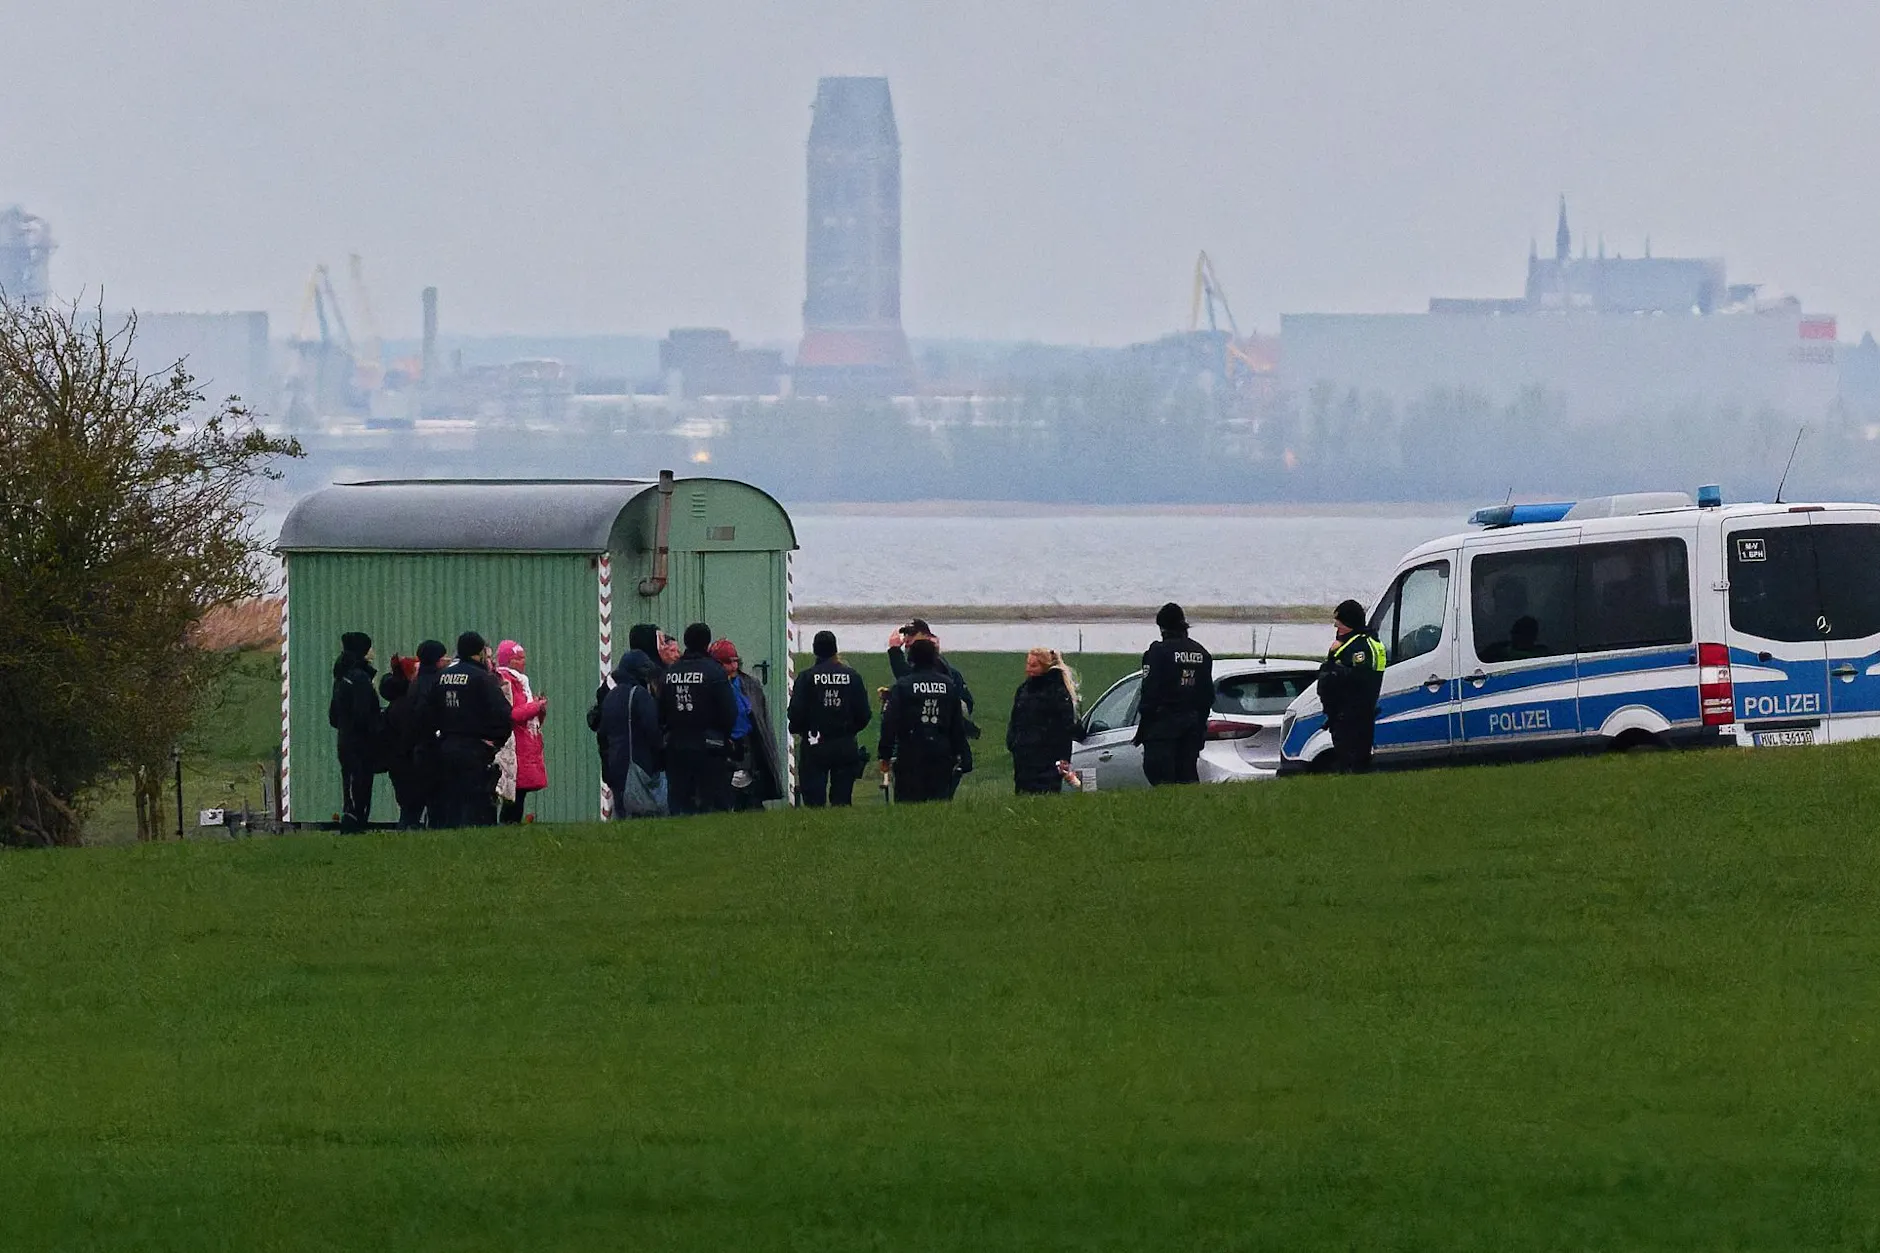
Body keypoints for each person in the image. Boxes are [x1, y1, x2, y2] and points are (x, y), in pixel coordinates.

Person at [417, 631, 514, 828]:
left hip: (445, 746)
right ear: (479, 652)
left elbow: (425, 712)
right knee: (475, 803)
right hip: (475, 748)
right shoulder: (482, 678)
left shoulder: (442, 677)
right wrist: (496, 742)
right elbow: (503, 714)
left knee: (450, 800)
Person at [878, 637, 972, 803]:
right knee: (939, 804)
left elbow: (890, 722)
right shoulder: (948, 685)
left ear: (911, 659)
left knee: (908, 806)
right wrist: (962, 753)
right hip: (941, 753)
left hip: (910, 753)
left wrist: (885, 754)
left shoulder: (903, 686)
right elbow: (957, 725)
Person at [659, 622, 739, 815]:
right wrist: (724, 735)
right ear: (706, 643)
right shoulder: (714, 672)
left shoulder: (671, 672)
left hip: (676, 745)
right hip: (710, 745)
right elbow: (729, 711)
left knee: (679, 802)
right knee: (711, 802)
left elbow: (661, 709)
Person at [788, 630, 872, 806]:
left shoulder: (807, 677)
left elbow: (795, 712)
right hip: (844, 743)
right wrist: (850, 730)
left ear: (815, 650)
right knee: (842, 800)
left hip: (814, 742)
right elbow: (864, 713)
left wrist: (801, 730)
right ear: (835, 649)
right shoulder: (852, 677)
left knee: (813, 801)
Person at [1135, 603, 1214, 786]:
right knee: (1187, 777)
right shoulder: (1201, 653)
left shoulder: (1158, 652)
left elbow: (1150, 691)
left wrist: (1145, 724)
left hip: (1162, 728)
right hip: (1192, 727)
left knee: (1160, 778)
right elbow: (1207, 695)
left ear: (1162, 627)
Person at [709, 639, 784, 810]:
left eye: (735, 661)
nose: (733, 667)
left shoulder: (749, 684)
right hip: (723, 745)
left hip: (748, 743)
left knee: (750, 795)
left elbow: (761, 717)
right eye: (728, 662)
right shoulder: (713, 685)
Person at [1318, 598, 1387, 773]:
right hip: (1342, 716)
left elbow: (1357, 679)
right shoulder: (1348, 644)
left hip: (1353, 716)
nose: (1336, 628)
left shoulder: (1361, 646)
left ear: (1349, 623)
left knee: (1353, 763)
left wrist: (1332, 668)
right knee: (1347, 761)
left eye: (1339, 623)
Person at [599, 649, 666, 818]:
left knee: (622, 812)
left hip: (615, 763)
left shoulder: (611, 696)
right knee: (645, 813)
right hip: (639, 762)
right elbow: (652, 731)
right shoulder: (640, 695)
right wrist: (661, 759)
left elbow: (602, 736)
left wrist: (606, 768)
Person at [1007, 647, 1080, 794]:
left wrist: (1064, 758)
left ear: (1045, 667)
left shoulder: (1057, 692)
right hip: (1023, 758)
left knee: (1045, 797)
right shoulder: (1023, 689)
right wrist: (1013, 742)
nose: (1028, 669)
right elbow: (1015, 719)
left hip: (1047, 760)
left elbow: (1066, 727)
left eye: (1034, 665)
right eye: (1028, 664)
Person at [327, 631, 380, 832]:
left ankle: (352, 819)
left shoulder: (341, 676)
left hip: (345, 739)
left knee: (349, 783)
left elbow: (333, 715)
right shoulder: (359, 678)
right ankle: (356, 823)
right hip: (361, 742)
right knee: (361, 784)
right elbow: (364, 713)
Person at [494, 640, 549, 824]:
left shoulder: (521, 682)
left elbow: (529, 717)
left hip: (525, 742)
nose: (523, 661)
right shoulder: (505, 680)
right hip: (514, 743)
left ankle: (511, 827)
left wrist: (539, 709)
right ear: (508, 661)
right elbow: (512, 714)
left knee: (520, 792)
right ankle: (508, 827)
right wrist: (535, 706)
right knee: (513, 793)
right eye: (519, 658)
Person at [375, 656, 427, 830]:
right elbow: (409, 735)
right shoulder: (406, 705)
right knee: (411, 806)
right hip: (407, 761)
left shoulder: (397, 703)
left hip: (398, 762)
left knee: (408, 804)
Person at [407, 639, 449, 827]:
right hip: (434, 743)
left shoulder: (415, 682)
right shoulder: (437, 682)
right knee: (438, 794)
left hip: (418, 745)